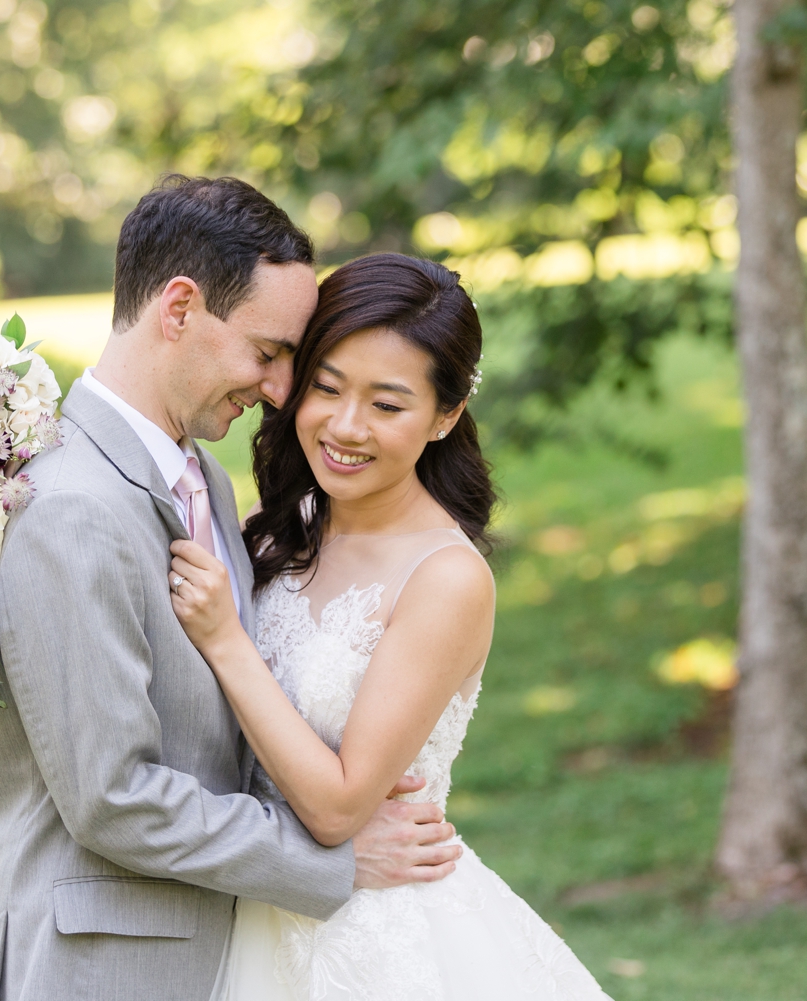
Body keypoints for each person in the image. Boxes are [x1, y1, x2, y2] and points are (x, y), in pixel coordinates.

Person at [0, 179, 462, 1001]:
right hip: (99, 971)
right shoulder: (72, 510)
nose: (280, 391)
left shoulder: (203, 479)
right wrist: (329, 858)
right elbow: (114, 797)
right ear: (179, 309)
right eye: (268, 353)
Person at [168, 253, 612, 1000]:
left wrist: (225, 641)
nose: (345, 427)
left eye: (387, 404)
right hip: (257, 906)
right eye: (327, 387)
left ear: (445, 415)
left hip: (375, 938)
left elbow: (340, 805)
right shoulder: (278, 531)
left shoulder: (446, 578)